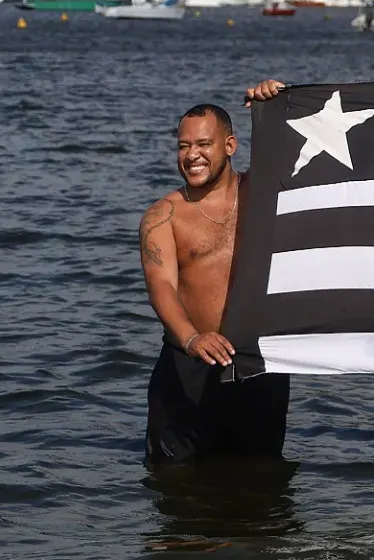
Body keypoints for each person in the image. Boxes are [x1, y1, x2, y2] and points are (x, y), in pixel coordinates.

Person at [140, 79, 289, 466]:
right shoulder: (164, 216)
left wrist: (273, 108)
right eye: (183, 146)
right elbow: (161, 287)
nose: (192, 156)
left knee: (260, 489)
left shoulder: (264, 196)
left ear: (229, 146)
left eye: (203, 144)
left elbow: (307, 162)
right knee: (176, 493)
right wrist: (191, 338)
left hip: (258, 365)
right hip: (187, 366)